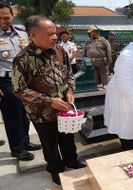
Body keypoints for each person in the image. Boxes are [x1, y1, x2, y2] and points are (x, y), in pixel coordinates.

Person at [12, 15, 86, 186]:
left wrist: (69, 89)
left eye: (55, 33)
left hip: (63, 106)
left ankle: (71, 161)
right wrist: (48, 101)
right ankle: (55, 169)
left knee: (67, 137)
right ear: (33, 35)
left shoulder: (59, 51)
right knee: (49, 142)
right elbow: (19, 89)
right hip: (41, 112)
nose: (55, 37)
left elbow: (69, 73)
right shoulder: (23, 59)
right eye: (50, 34)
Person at [0, 2, 41, 161]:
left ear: (12, 16)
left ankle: (25, 142)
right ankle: (17, 149)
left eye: (6, 17)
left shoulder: (22, 33)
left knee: (25, 113)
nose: (3, 21)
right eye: (0, 18)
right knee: (12, 116)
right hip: (6, 80)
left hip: (26, 80)